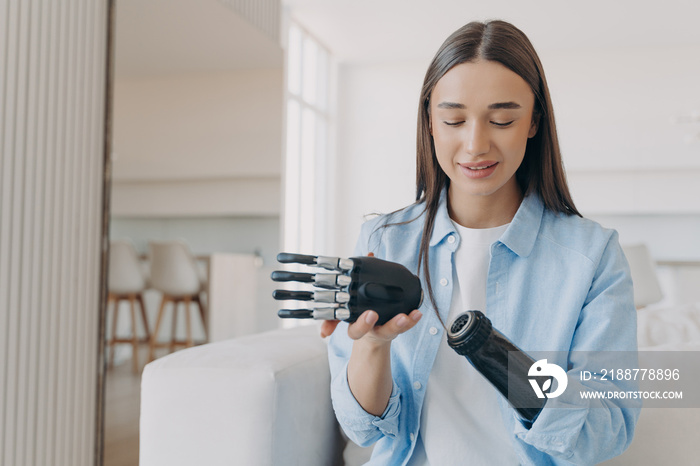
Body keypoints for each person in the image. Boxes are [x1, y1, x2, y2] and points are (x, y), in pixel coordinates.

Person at [322, 20, 640, 465]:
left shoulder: (592, 257)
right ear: (430, 123)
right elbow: (362, 429)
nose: (475, 144)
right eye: (453, 119)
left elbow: (607, 430)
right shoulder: (384, 242)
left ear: (533, 123)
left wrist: (498, 359)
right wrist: (371, 346)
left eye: (502, 120)